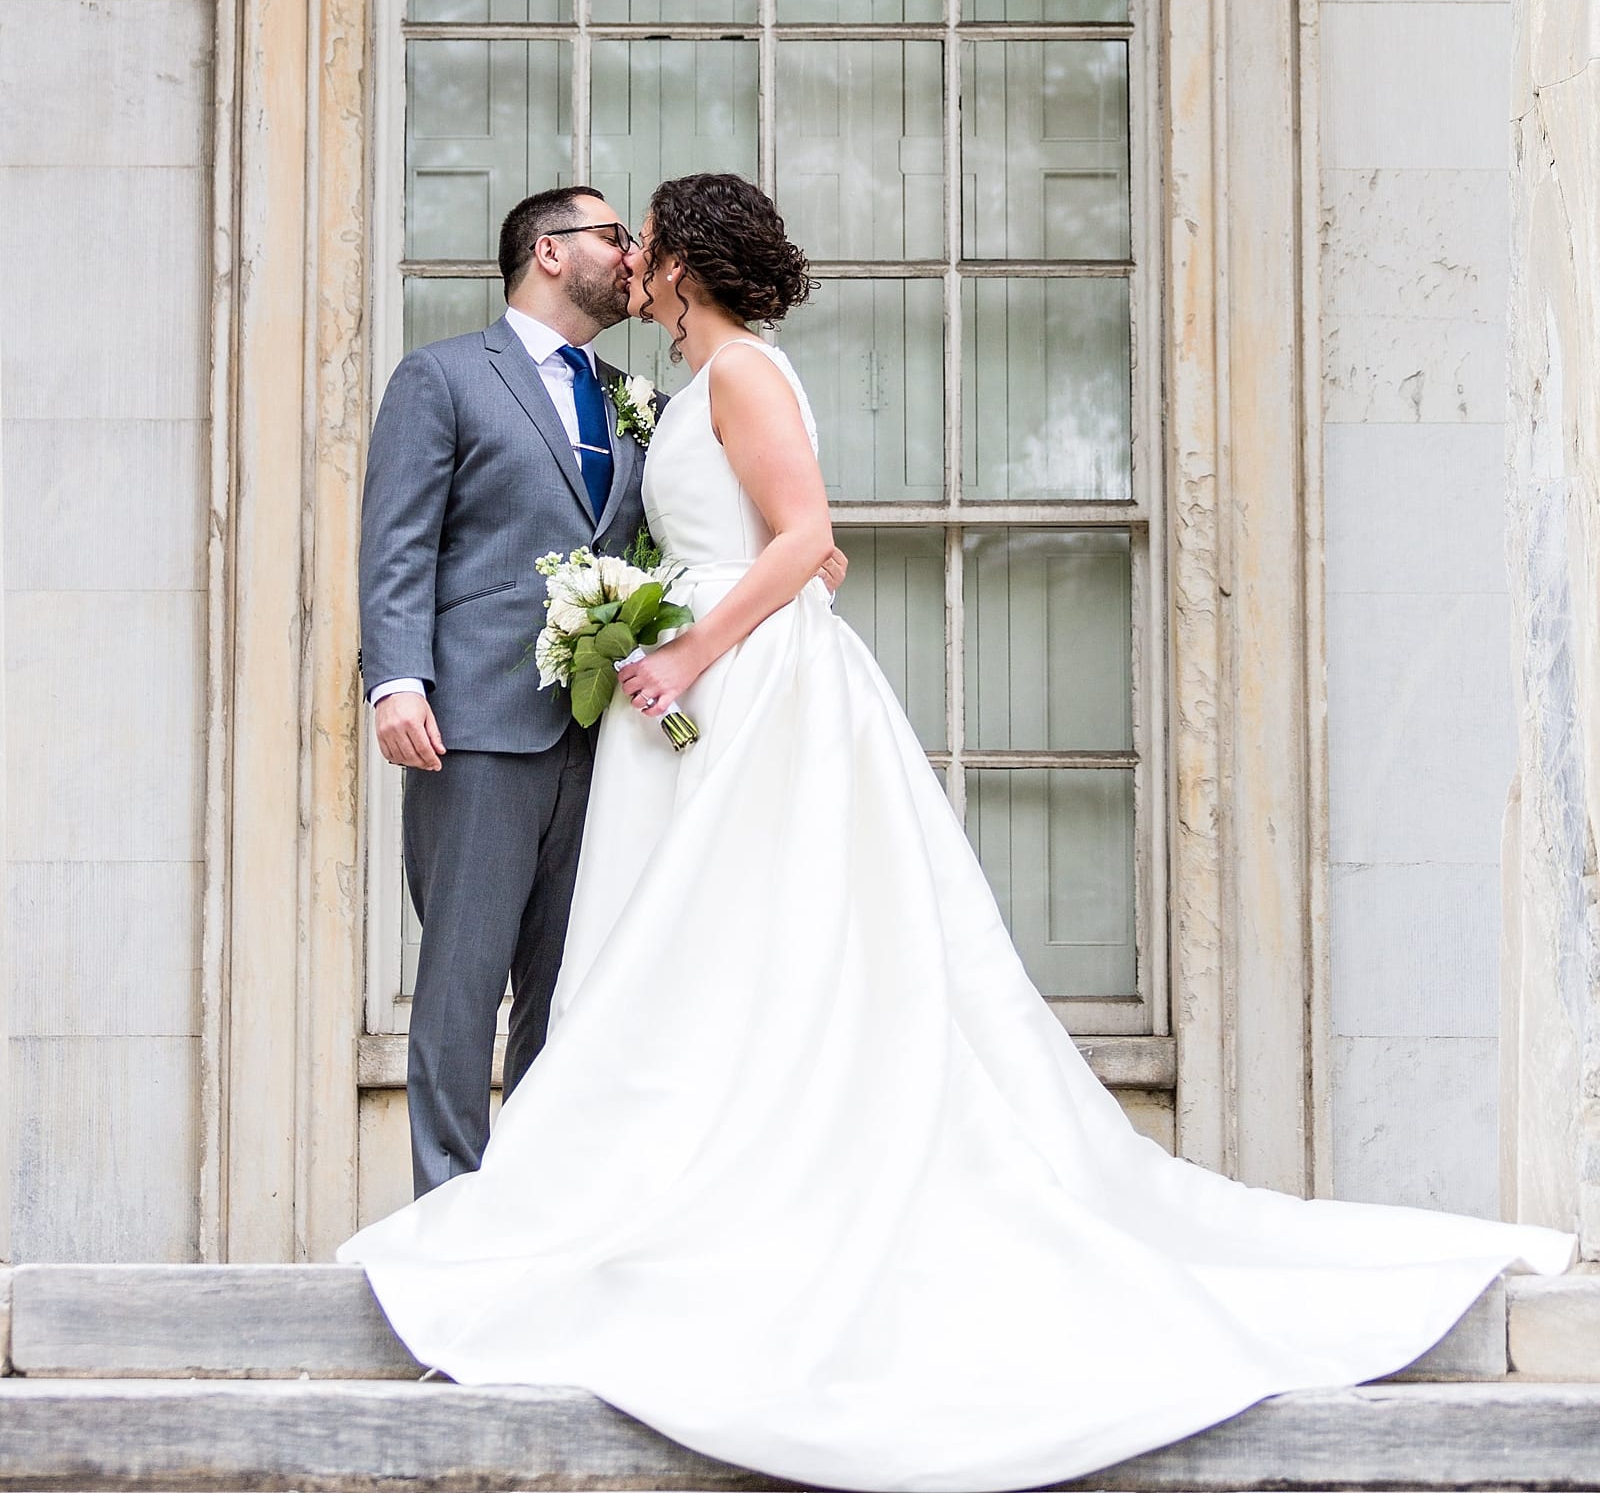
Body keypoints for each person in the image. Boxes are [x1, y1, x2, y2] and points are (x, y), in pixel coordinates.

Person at [344, 173, 1573, 1493]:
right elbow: (793, 548)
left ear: (684, 266)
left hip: (724, 695)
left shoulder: (737, 374)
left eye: (645, 243)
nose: (630, 261)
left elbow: (808, 529)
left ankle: (640, 1204)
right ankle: (501, 1212)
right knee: (628, 964)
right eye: (611, 239)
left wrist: (695, 642)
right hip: (642, 709)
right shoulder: (611, 386)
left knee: (734, 949)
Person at [357, 185, 647, 1196]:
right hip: (472, 726)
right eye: (615, 236)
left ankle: (526, 1205)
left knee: (563, 993)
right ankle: (446, 1210)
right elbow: (398, 542)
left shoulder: (626, 395)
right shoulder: (440, 378)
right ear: (549, 252)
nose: (633, 254)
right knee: (460, 984)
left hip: (603, 737)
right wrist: (397, 681)